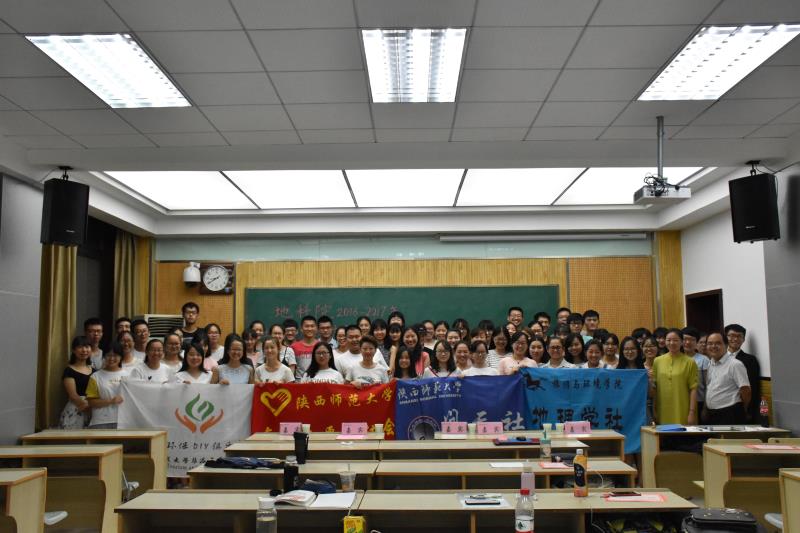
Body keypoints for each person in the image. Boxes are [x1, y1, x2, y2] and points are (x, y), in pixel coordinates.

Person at [703, 332, 751, 425]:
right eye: (710, 343)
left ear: (726, 345)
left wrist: (742, 409)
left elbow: (746, 390)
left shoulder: (735, 364)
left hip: (730, 413)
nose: (713, 346)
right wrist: (705, 409)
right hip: (712, 413)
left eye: (718, 343)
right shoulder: (710, 363)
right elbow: (709, 388)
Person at [652, 328, 698, 425]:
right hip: (662, 409)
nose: (672, 343)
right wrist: (654, 409)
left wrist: (692, 412)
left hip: (683, 409)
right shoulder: (657, 361)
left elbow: (693, 389)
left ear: (682, 342)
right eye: (668, 340)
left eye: (675, 340)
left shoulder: (690, 362)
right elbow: (655, 388)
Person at [724, 323, 761, 422]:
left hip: (739, 407)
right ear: (725, 337)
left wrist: (749, 410)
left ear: (743, 339)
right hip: (720, 407)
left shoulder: (750, 360)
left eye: (739, 336)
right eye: (732, 335)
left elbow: (753, 387)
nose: (735, 339)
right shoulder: (718, 358)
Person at [86, 342, 128, 429]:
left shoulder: (128, 375)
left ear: (121, 357)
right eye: (108, 355)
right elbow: (91, 402)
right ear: (104, 356)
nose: (112, 358)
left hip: (123, 420)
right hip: (100, 421)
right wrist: (111, 401)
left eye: (115, 355)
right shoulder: (95, 377)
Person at [59, 335, 94, 429]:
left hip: (93, 410)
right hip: (75, 410)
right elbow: (73, 395)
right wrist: (86, 407)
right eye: (80, 347)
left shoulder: (95, 371)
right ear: (74, 350)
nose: (84, 350)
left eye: (87, 346)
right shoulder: (69, 370)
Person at [682, 327, 709, 415]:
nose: (688, 342)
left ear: (697, 342)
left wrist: (705, 407)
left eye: (692, 340)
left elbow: (707, 385)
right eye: (685, 339)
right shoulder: (676, 358)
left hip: (699, 402)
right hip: (681, 401)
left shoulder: (703, 360)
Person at [290, 315, 318, 380]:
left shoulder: (321, 346)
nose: (309, 329)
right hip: (299, 383)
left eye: (312, 326)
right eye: (307, 326)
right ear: (301, 329)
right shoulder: (293, 347)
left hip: (317, 382)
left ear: (316, 328)